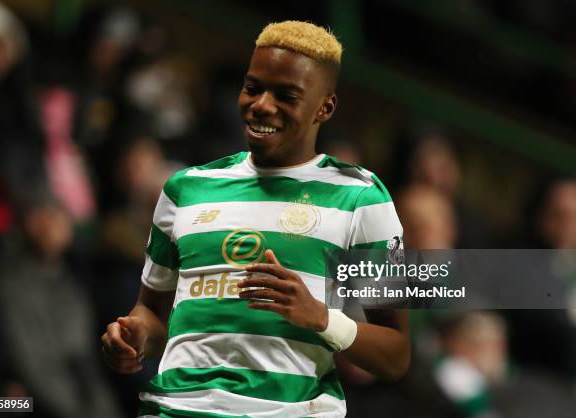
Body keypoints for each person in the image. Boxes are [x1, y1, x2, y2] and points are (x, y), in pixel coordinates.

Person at [101, 20, 410, 417]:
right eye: (252, 87)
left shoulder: (363, 198)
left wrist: (321, 319)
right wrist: (134, 334)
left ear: (325, 107)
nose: (262, 104)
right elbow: (153, 314)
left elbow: (396, 356)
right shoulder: (186, 188)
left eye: (287, 95)